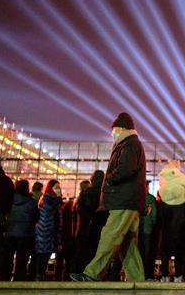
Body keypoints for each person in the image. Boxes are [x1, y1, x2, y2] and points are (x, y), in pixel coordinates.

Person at [70, 112, 146, 282]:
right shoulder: (130, 143)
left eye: (115, 130)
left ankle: (92, 274)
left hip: (124, 200)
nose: (112, 134)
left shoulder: (129, 144)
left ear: (122, 128)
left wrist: (109, 178)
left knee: (109, 236)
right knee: (127, 245)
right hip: (129, 200)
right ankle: (138, 280)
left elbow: (126, 168)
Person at [157, 162, 185, 283]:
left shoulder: (164, 195)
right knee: (180, 253)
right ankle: (179, 275)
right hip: (181, 228)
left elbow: (160, 215)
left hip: (167, 228)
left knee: (165, 253)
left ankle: (164, 275)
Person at [71, 170, 108, 275]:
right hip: (99, 229)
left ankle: (77, 274)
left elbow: (79, 211)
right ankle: (92, 275)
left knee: (81, 254)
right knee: (95, 254)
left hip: (85, 228)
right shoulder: (104, 194)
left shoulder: (85, 193)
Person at [5, 179, 38, 281]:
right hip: (25, 234)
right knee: (21, 261)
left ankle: (5, 278)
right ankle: (18, 280)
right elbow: (36, 217)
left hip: (10, 232)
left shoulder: (9, 200)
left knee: (8, 258)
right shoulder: (31, 202)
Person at [34, 179, 62, 281]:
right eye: (57, 188)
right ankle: (39, 275)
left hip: (45, 230)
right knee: (43, 254)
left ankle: (40, 274)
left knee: (44, 254)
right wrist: (59, 197)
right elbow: (50, 210)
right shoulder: (49, 198)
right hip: (45, 230)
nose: (59, 190)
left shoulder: (47, 198)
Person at [139, 180, 158, 281]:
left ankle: (138, 274)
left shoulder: (135, 197)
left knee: (138, 252)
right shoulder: (150, 198)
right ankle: (147, 275)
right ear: (146, 187)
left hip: (136, 229)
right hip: (147, 229)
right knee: (147, 253)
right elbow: (154, 215)